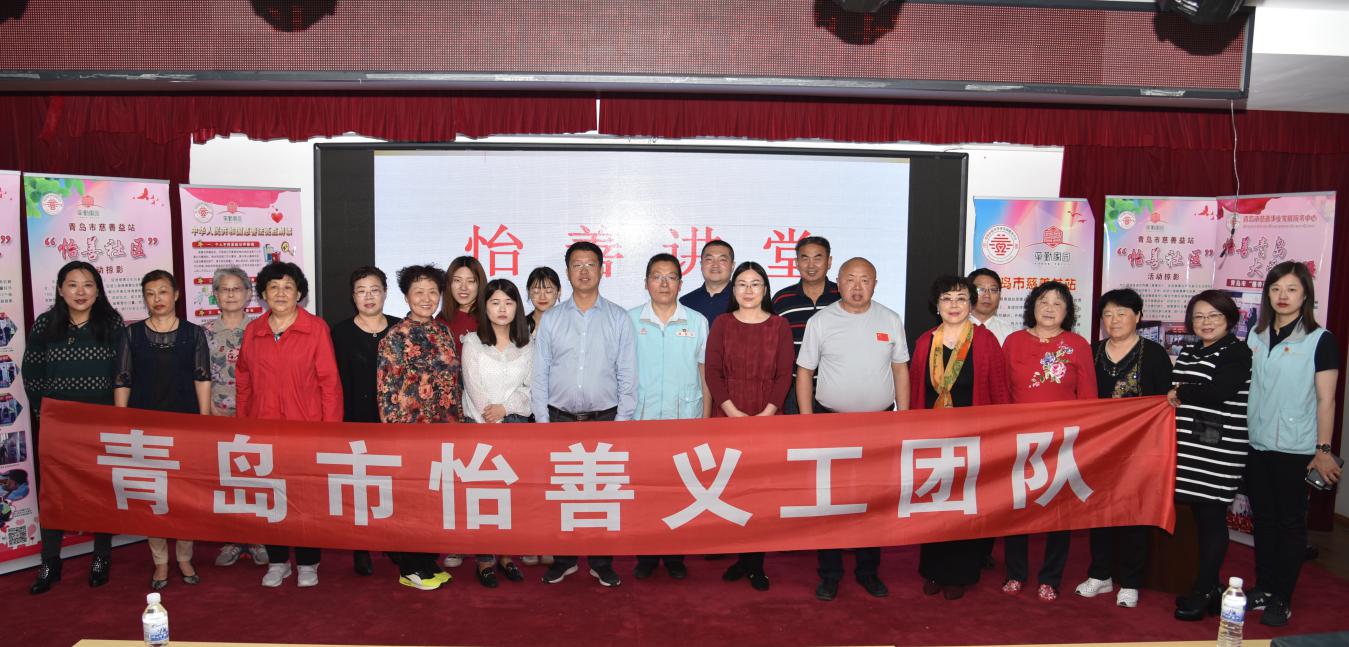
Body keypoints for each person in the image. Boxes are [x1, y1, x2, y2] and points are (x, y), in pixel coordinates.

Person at [797, 257, 909, 601]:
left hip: (878, 425)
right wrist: (807, 421)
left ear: (875, 284)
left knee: (871, 500)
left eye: (865, 280)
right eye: (850, 279)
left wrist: (904, 418)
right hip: (831, 424)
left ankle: (868, 571)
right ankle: (830, 573)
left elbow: (900, 369)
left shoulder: (890, 319)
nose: (857, 287)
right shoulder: (821, 321)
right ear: (839, 282)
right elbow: (805, 372)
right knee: (830, 501)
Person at [532, 241, 636, 587]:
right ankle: (563, 559)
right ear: (568, 272)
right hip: (559, 418)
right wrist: (543, 423)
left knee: (601, 492)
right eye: (577, 265)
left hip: (605, 418)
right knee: (563, 492)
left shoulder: (618, 318)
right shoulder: (552, 319)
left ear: (602, 270)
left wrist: (622, 424)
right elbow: (540, 373)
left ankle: (601, 561)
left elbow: (627, 375)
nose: (584, 271)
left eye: (590, 264)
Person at [1244, 261, 1341, 627]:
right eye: (1275, 289)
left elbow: (1326, 400)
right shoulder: (1256, 335)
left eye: (1291, 289)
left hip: (1295, 448)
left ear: (1305, 296)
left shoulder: (1320, 339)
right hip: (1257, 443)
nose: (1282, 296)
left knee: (1289, 524)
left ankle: (1282, 597)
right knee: (1263, 520)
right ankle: (1264, 587)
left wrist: (1323, 450)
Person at [236, 261, 343, 588]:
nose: (280, 293)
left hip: (306, 430)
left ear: (299, 293)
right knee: (271, 498)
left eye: (287, 287)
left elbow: (330, 384)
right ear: (263, 294)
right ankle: (278, 561)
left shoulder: (316, 328)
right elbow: (244, 381)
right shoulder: (254, 331)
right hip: (264, 429)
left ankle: (309, 562)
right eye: (273, 287)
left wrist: (329, 432)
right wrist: (243, 427)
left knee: (305, 498)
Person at [24, 261, 124, 595]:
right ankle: (50, 561)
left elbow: (123, 372)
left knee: (101, 489)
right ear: (60, 289)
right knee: (54, 492)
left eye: (88, 284)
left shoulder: (111, 324)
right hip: (59, 423)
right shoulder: (45, 324)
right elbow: (32, 373)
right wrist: (45, 414)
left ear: (98, 290)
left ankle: (101, 556)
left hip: (101, 421)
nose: (80, 292)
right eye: (72, 284)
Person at [908, 275, 1009, 601]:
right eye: (947, 299)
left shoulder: (986, 341)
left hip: (974, 439)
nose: (954, 305)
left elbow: (1000, 392)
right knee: (935, 504)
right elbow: (916, 393)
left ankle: (960, 574)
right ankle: (933, 569)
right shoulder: (925, 342)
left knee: (965, 506)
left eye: (961, 298)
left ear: (971, 304)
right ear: (936, 305)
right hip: (933, 439)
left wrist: (1001, 435)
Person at [113, 269, 211, 590]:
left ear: (176, 294)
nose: (157, 299)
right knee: (152, 498)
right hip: (145, 429)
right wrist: (121, 424)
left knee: (184, 497)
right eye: (150, 293)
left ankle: (184, 556)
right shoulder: (132, 334)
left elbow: (202, 377)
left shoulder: (193, 333)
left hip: (185, 427)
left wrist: (204, 421)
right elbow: (123, 379)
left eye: (163, 292)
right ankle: (160, 562)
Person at [1075, 289, 1173, 609]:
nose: (1114, 320)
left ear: (1138, 316)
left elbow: (1164, 404)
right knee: (1098, 511)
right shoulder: (1092, 352)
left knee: (1134, 513)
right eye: (1108, 314)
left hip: (1140, 448)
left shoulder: (1154, 354)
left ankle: (1131, 582)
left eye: (1122, 313)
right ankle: (1100, 574)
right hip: (1098, 447)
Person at [1001, 280, 1097, 602]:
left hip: (1062, 441)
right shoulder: (1013, 342)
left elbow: (1088, 397)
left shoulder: (1077, 345)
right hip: (1019, 439)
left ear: (1067, 311)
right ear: (1033, 306)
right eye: (1044, 301)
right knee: (1017, 508)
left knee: (1059, 511)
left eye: (1058, 303)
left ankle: (1050, 578)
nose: (1050, 308)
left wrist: (1083, 438)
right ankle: (1015, 573)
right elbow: (1002, 392)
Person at [705, 261, 795, 593]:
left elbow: (784, 374)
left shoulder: (779, 326)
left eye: (755, 284)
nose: (748, 290)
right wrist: (732, 412)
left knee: (761, 492)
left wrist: (767, 413)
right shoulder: (722, 323)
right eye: (741, 284)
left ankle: (755, 563)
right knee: (733, 490)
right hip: (729, 415)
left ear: (765, 290)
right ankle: (741, 557)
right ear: (733, 290)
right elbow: (713, 372)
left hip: (767, 417)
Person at [1168, 290, 1252, 621]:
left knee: (1212, 516)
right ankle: (1210, 586)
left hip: (1218, 448)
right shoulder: (1191, 351)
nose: (1206, 322)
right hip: (1189, 447)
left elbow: (1219, 392)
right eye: (1199, 316)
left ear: (1229, 319)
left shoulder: (1236, 351)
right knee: (1201, 518)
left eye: (1214, 316)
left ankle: (1204, 590)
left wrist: (1181, 391)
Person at [378, 264, 461, 591]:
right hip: (410, 435)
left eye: (432, 292)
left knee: (434, 499)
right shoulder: (396, 337)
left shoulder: (443, 332)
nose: (426, 299)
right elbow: (386, 393)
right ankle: (409, 567)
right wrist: (396, 437)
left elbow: (453, 385)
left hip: (444, 432)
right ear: (406, 296)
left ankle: (427, 561)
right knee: (411, 500)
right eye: (418, 292)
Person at [629, 253, 710, 581]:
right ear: (646, 282)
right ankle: (646, 555)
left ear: (680, 283)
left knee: (680, 490)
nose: (663, 283)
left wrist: (705, 419)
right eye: (656, 276)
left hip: (684, 419)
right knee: (645, 491)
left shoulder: (697, 321)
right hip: (642, 421)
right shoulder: (630, 320)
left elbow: (705, 373)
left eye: (670, 277)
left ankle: (676, 555)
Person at [329, 266, 401, 577]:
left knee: (392, 485)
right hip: (355, 420)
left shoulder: (400, 328)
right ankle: (361, 546)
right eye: (361, 291)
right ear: (353, 296)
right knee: (360, 486)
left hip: (393, 424)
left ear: (385, 293)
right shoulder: (340, 333)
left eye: (374, 290)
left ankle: (393, 541)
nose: (368, 296)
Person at [460, 277, 532, 587]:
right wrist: (492, 414)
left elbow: (531, 389)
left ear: (517, 307)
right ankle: (485, 559)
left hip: (515, 426)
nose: (502, 309)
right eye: (495, 302)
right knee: (483, 496)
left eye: (509, 302)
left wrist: (506, 408)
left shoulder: (528, 346)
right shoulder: (472, 343)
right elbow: (473, 386)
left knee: (511, 496)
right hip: (479, 427)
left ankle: (506, 555)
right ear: (485, 307)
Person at [205, 267, 270, 569]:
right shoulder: (204, 332)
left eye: (237, 289)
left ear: (248, 294)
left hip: (255, 415)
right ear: (215, 295)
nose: (230, 294)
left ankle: (258, 539)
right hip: (218, 415)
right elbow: (199, 375)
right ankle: (232, 540)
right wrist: (209, 408)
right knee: (227, 481)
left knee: (255, 478)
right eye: (224, 289)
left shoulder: (260, 329)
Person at [771, 236, 840, 415]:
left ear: (829, 261)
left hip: (837, 387)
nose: (811, 265)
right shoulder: (782, 300)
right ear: (796, 263)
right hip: (794, 389)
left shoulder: (842, 297)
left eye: (818, 258)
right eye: (805, 258)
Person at [438, 255, 486, 358]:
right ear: (449, 284)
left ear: (479, 284)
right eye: (457, 280)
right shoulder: (441, 319)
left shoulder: (491, 315)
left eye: (470, 281)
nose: (463, 287)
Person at [678, 240, 734, 325]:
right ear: (701, 265)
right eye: (709, 259)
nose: (715, 265)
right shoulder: (685, 302)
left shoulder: (743, 301)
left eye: (722, 260)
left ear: (732, 266)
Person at [968, 268, 1017, 345]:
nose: (987, 295)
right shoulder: (955, 328)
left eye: (993, 290)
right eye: (980, 289)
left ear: (1000, 295)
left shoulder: (1011, 333)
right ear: (969, 293)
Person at [526, 266, 562, 335]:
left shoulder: (569, 324)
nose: (542, 297)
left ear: (559, 292)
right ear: (529, 292)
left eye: (548, 291)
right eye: (536, 291)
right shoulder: (519, 326)